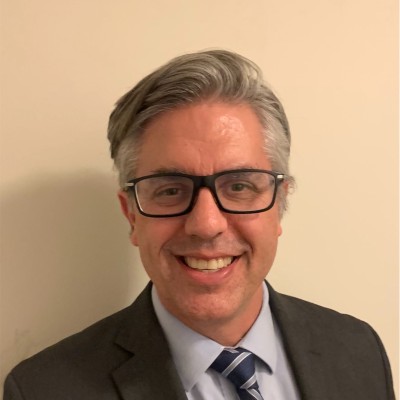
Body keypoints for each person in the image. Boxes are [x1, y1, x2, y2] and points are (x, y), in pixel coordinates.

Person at [3, 50, 395, 400]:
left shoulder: (358, 349)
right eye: (170, 190)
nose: (206, 225)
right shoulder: (43, 389)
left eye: (239, 185)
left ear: (280, 202)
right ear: (131, 215)